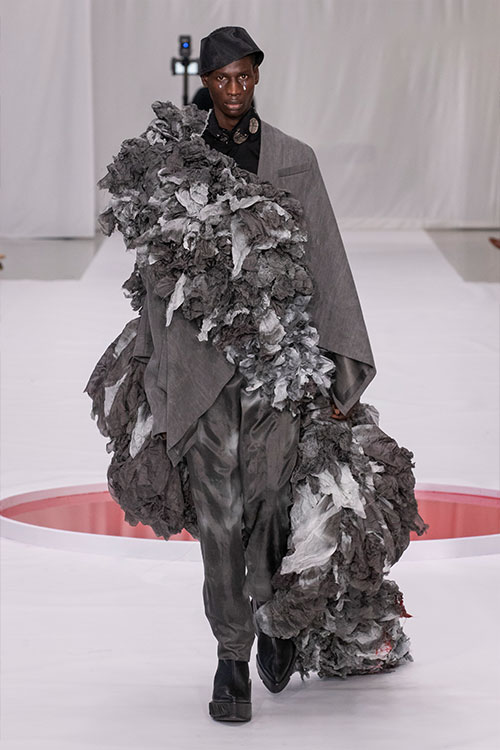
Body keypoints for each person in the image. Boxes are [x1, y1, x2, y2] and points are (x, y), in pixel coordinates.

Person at [87, 25, 427, 725]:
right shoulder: (175, 166)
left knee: (272, 501)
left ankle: (274, 617)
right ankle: (231, 656)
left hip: (280, 367)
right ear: (205, 82)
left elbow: (324, 256)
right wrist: (154, 360)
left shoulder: (294, 160)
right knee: (219, 513)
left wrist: (341, 364)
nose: (235, 89)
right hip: (202, 367)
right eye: (222, 79)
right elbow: (154, 270)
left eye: (244, 76)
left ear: (257, 77)